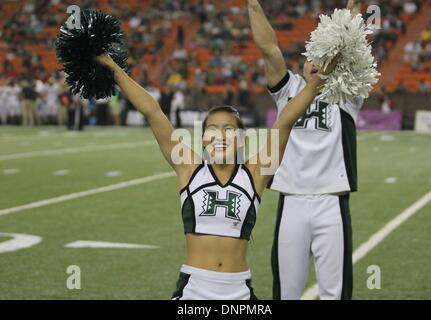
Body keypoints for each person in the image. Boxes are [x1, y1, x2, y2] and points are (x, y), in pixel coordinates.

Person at [95, 53, 336, 300]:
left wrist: (314, 85)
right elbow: (153, 112)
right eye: (212, 128)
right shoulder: (188, 168)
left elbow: (285, 121)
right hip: (193, 291)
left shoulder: (256, 173)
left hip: (239, 291)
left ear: (241, 139)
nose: (220, 135)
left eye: (228, 128)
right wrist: (114, 69)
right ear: (202, 139)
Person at [248, 0, 365, 300]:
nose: (316, 62)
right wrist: (252, 3)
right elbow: (268, 48)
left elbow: (351, 43)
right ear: (302, 62)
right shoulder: (289, 90)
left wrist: (353, 8)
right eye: (311, 56)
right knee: (286, 292)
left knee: (334, 292)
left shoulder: (346, 93)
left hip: (331, 202)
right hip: (292, 201)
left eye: (323, 56)